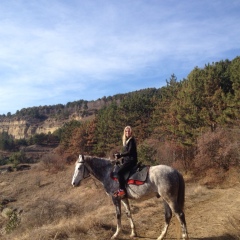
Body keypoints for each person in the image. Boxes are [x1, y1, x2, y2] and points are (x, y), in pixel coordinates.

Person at [114, 126, 138, 198]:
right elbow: (126, 152)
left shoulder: (131, 140)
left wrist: (120, 155)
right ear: (124, 132)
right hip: (127, 160)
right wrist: (120, 157)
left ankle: (122, 190)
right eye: (126, 131)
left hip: (131, 161)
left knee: (119, 173)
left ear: (131, 132)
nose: (127, 132)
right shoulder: (126, 141)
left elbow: (130, 152)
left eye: (129, 131)